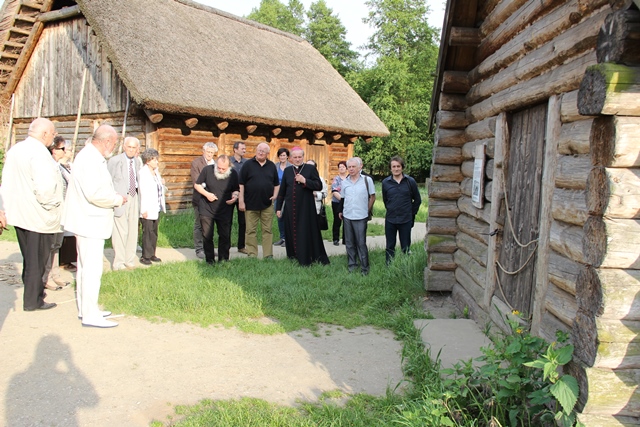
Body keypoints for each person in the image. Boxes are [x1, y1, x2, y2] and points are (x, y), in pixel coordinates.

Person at [62, 124, 126, 327]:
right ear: (106, 141)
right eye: (114, 143)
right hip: (90, 221)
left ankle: (87, 308)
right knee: (91, 269)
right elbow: (95, 194)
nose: (114, 147)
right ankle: (90, 315)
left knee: (85, 268)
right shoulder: (89, 159)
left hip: (88, 220)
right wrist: (117, 199)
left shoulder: (90, 156)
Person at [1, 118, 63, 311]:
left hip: (20, 213)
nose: (53, 137)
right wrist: (53, 205)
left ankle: (32, 294)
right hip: (38, 215)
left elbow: (6, 182)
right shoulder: (40, 154)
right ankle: (33, 300)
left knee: (29, 257)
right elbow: (45, 188)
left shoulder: (15, 150)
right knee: (38, 259)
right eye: (52, 133)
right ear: (44, 134)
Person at [276, 148, 329, 265]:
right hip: (290, 208)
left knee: (305, 232)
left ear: (303, 157)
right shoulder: (288, 170)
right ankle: (293, 256)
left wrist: (305, 181)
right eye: (295, 157)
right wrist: (279, 208)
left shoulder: (310, 168)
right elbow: (282, 190)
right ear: (291, 158)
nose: (297, 159)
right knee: (291, 231)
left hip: (306, 208)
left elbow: (318, 185)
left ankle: (308, 256)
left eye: (299, 157)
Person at [194, 155, 240, 263]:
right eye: (218, 167)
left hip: (225, 209)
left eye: (223, 169)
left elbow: (236, 189)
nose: (220, 170)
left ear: (229, 167)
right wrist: (207, 194)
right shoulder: (207, 170)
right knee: (207, 235)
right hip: (207, 208)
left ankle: (223, 259)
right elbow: (197, 185)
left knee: (224, 235)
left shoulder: (233, 173)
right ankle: (210, 260)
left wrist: (235, 197)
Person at [238, 142, 279, 259]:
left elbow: (276, 184)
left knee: (267, 230)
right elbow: (241, 184)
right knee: (250, 230)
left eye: (263, 151)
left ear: (267, 153)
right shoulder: (247, 165)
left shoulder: (271, 166)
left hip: (267, 204)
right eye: (259, 150)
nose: (260, 153)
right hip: (250, 204)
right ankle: (252, 254)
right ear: (256, 151)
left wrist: (275, 195)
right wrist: (241, 201)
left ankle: (268, 254)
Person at [42, 136, 72, 291]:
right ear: (53, 150)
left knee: (57, 244)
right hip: (52, 211)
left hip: (63, 210)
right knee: (50, 245)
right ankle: (46, 277)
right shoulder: (48, 166)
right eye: (62, 148)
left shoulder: (61, 167)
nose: (65, 151)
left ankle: (55, 274)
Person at [107, 136, 141, 270]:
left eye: (134, 148)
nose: (131, 150)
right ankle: (119, 262)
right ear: (124, 147)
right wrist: (114, 197)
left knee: (133, 230)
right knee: (120, 231)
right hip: (121, 198)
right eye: (129, 147)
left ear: (137, 149)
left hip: (134, 196)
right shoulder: (114, 161)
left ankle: (129, 259)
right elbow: (108, 181)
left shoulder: (137, 161)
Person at [382, 156, 422, 264]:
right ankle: (389, 266)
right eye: (394, 166)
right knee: (390, 245)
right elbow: (386, 200)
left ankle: (405, 266)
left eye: (398, 166)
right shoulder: (385, 183)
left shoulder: (410, 181)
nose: (396, 169)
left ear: (402, 167)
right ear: (390, 168)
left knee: (406, 246)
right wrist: (391, 208)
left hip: (406, 219)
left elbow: (417, 200)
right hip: (390, 219)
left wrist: (411, 213)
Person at [339, 157, 375, 275]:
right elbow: (343, 198)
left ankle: (365, 268)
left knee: (361, 243)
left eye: (353, 166)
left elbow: (372, 197)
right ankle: (352, 265)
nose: (351, 169)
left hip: (361, 216)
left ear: (360, 167)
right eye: (349, 167)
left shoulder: (367, 180)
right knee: (349, 243)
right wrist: (341, 211)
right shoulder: (344, 182)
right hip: (347, 216)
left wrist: (367, 210)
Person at [190, 142, 218, 259]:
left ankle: (209, 248)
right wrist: (208, 192)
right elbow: (197, 182)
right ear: (203, 151)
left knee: (210, 225)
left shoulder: (215, 164)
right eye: (208, 152)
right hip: (200, 198)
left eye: (212, 153)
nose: (210, 154)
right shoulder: (196, 163)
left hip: (213, 199)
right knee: (199, 225)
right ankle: (199, 249)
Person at [138, 148, 166, 265]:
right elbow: (143, 192)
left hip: (156, 206)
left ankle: (152, 253)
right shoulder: (143, 173)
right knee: (147, 232)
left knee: (154, 232)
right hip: (147, 208)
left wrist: (163, 184)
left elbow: (159, 188)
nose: (157, 162)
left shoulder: (156, 172)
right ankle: (145, 256)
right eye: (154, 160)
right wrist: (143, 210)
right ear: (148, 161)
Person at [230, 141, 247, 254]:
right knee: (227, 221)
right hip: (230, 195)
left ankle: (241, 246)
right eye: (242, 148)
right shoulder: (228, 162)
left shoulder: (247, 163)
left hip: (243, 196)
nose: (244, 150)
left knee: (243, 222)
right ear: (235, 149)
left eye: (245, 148)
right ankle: (226, 245)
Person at [274, 147, 291, 247]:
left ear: (287, 156)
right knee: (279, 215)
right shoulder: (275, 166)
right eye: (280, 155)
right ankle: (282, 237)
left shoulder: (291, 167)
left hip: (288, 195)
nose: (282, 157)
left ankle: (288, 239)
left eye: (284, 155)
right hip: (278, 195)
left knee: (287, 216)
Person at [330, 161, 348, 246]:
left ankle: (346, 239)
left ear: (346, 168)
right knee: (337, 220)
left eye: (343, 167)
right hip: (337, 202)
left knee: (347, 221)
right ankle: (336, 239)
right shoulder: (336, 179)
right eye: (340, 167)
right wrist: (343, 200)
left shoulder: (349, 178)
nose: (341, 168)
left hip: (348, 203)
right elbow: (334, 191)